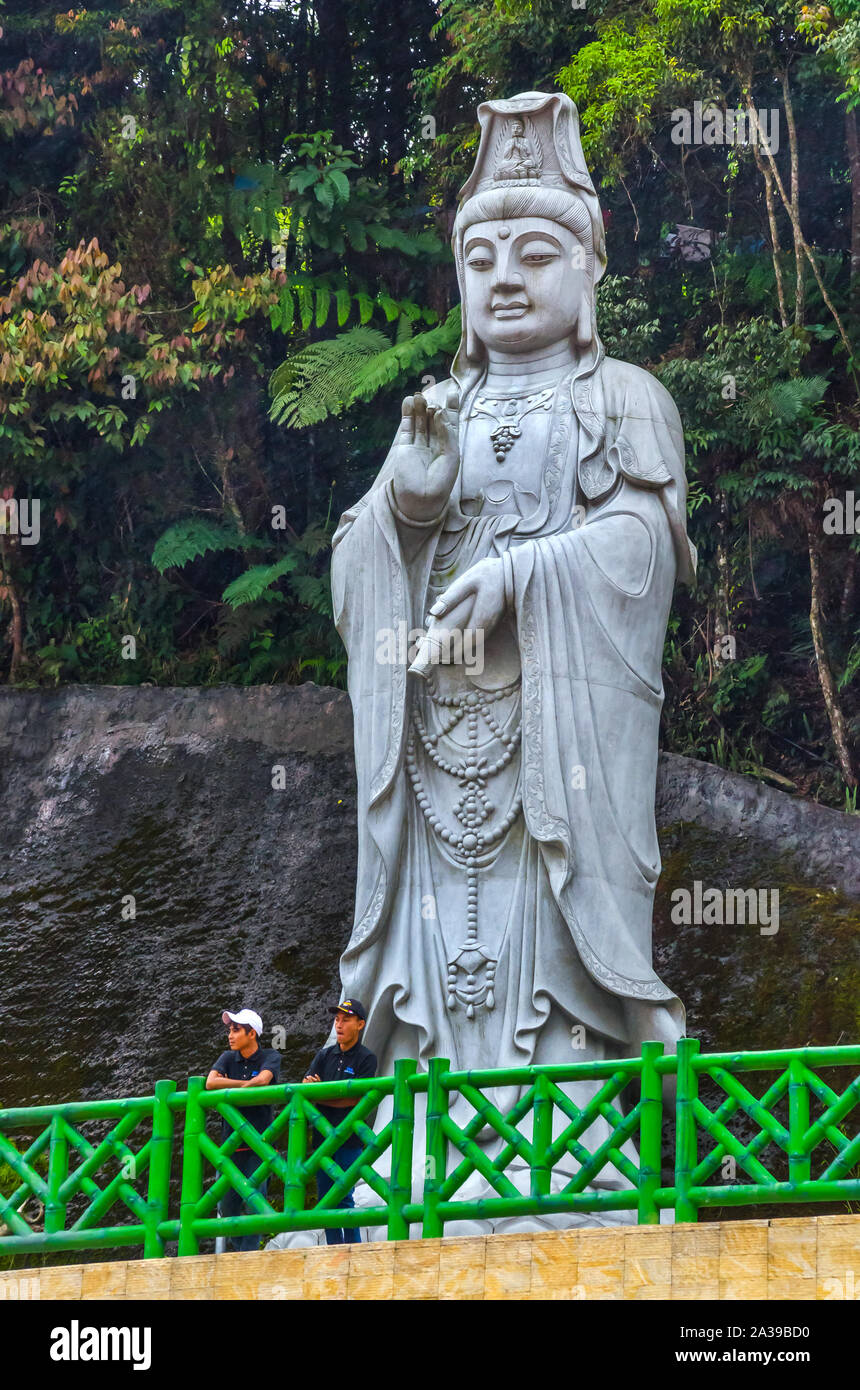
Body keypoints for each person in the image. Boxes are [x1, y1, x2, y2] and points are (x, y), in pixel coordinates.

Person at [206, 1008, 281, 1252]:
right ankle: (243, 1250)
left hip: (258, 1144)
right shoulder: (228, 1057)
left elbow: (263, 1080)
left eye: (236, 1029)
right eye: (230, 1029)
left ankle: (247, 1254)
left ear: (252, 1033)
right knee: (226, 1205)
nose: (230, 1034)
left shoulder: (270, 1056)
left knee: (255, 1202)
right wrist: (243, 1087)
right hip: (230, 1145)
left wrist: (229, 1089)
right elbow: (209, 1083)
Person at [303, 999, 377, 1245]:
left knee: (345, 1194)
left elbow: (355, 1099)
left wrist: (321, 1093)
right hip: (323, 1138)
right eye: (337, 1019)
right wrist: (328, 1094)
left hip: (349, 1138)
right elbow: (306, 1088)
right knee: (326, 1198)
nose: (339, 1024)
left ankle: (353, 1247)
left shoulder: (367, 1058)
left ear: (360, 1024)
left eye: (346, 1019)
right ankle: (333, 1249)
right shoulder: (324, 1055)